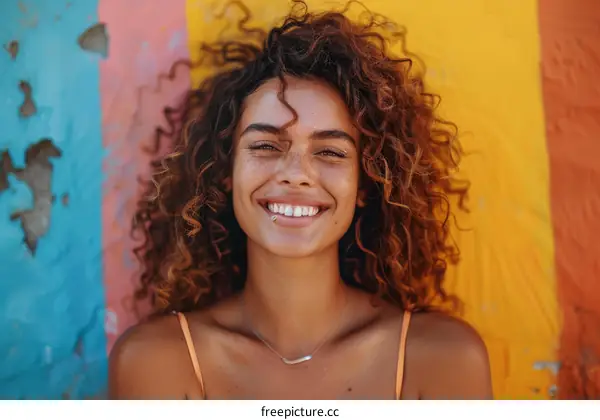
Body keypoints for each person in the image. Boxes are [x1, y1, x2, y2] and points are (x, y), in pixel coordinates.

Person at [108, 0, 493, 399]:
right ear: (224, 172)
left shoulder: (441, 360)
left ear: (366, 183)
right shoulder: (157, 362)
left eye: (330, 152)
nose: (295, 172)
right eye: (265, 145)